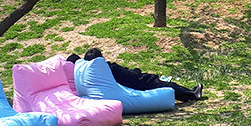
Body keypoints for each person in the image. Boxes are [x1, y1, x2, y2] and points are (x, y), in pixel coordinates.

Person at [67, 48, 203, 102]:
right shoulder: (110, 69)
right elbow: (131, 76)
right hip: (138, 84)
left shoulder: (84, 77)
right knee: (163, 85)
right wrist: (137, 70)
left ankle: (189, 93)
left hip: (126, 88)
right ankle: (191, 94)